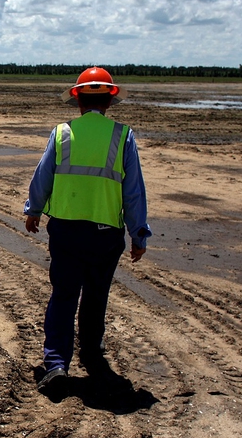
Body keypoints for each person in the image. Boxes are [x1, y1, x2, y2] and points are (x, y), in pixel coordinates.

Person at [23, 66, 152, 398]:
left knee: (64, 295)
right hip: (105, 233)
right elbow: (134, 191)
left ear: (78, 101)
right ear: (109, 101)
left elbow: (43, 177)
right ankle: (91, 354)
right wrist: (138, 234)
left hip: (65, 230)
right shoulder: (123, 136)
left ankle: (55, 365)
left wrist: (33, 210)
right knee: (96, 296)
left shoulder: (63, 133)